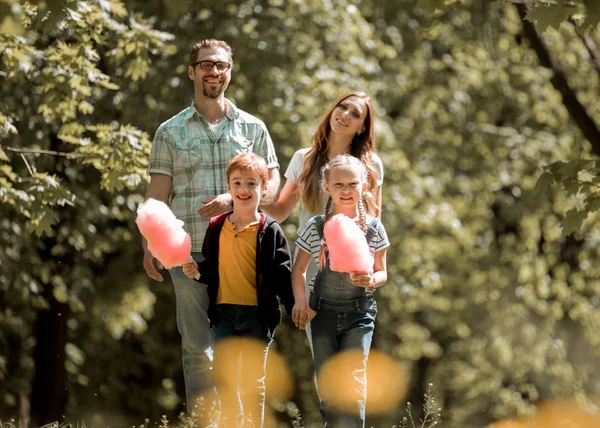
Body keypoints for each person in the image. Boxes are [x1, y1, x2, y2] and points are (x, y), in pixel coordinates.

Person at [143, 39, 280, 413]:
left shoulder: (253, 128)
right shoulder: (169, 132)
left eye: (220, 65)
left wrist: (230, 200)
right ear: (192, 71)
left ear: (230, 72)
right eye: (206, 65)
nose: (213, 71)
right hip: (187, 252)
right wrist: (149, 246)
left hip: (242, 251)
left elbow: (273, 188)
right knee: (196, 347)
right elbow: (157, 196)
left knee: (244, 345)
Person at [261, 91, 383, 350]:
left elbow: (375, 219)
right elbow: (281, 210)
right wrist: (243, 201)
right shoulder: (303, 159)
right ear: (333, 109)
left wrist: (372, 271)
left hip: (355, 272)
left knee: (351, 360)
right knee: (323, 355)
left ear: (362, 127)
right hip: (313, 270)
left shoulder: (371, 165)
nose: (345, 115)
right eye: (343, 107)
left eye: (356, 114)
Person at [182, 153, 294, 427]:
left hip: (258, 316)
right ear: (229, 187)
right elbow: (211, 269)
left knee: (253, 381)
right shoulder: (216, 227)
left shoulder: (270, 231)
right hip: (223, 315)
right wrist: (196, 272)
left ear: (263, 188)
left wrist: (295, 306)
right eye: (238, 183)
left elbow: (283, 274)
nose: (244, 189)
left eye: (252, 184)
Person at [291, 154, 390, 428]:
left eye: (352, 184)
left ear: (365, 186)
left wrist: (370, 279)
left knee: (353, 385)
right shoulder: (316, 228)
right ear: (326, 188)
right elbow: (298, 270)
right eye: (339, 185)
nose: (346, 191)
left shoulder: (373, 228)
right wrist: (300, 301)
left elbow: (382, 272)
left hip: (359, 315)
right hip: (321, 313)